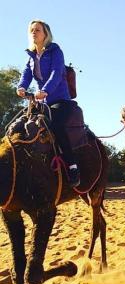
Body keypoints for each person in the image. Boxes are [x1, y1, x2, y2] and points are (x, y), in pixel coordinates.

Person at [16, 20, 80, 187]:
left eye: (37, 30)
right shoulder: (31, 55)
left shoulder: (55, 51)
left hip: (60, 100)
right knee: (19, 125)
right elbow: (26, 74)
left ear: (46, 34)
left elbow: (56, 73)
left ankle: (72, 166)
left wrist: (45, 91)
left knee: (57, 125)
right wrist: (21, 86)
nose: (33, 32)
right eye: (31, 30)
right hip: (41, 101)